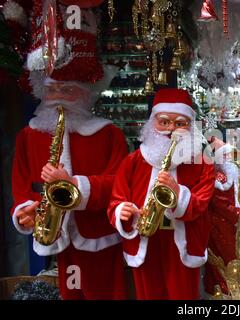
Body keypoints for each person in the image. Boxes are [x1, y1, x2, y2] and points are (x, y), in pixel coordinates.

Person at [11, 2, 128, 299]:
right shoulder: (30, 135)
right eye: (53, 90)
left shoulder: (108, 133)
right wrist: (24, 209)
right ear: (41, 90)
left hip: (99, 235)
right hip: (57, 236)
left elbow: (119, 184)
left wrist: (74, 186)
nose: (59, 98)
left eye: (69, 90)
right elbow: (22, 184)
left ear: (86, 93)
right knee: (70, 291)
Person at [108, 88, 215, 300]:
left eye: (180, 124)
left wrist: (177, 193)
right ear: (152, 123)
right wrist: (122, 210)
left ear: (191, 127)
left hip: (182, 243)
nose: (170, 130)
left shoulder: (202, 163)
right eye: (164, 122)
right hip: (145, 240)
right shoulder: (133, 161)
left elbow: (201, 203)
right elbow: (115, 200)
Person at [204, 138, 240, 300]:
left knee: (233, 255)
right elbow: (220, 204)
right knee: (227, 257)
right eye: (228, 154)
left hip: (230, 223)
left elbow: (232, 197)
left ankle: (235, 287)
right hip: (220, 225)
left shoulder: (227, 174)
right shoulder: (218, 178)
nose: (231, 157)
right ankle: (228, 292)